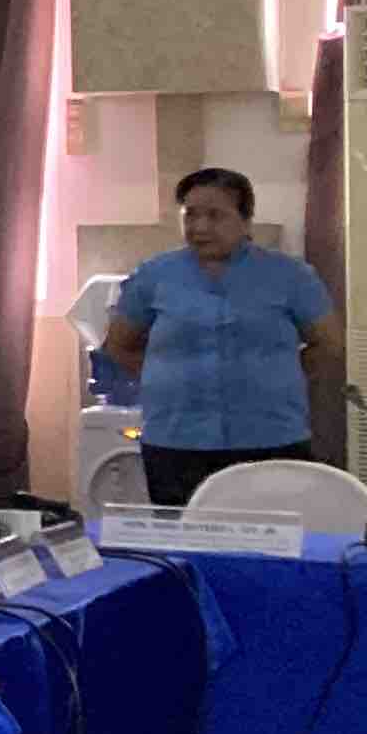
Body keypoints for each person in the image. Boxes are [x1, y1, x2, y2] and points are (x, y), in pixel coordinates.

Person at [103, 169, 343, 510]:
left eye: (215, 216)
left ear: (246, 222)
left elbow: (328, 344)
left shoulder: (290, 276)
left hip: (270, 437)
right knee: (183, 534)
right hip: (176, 440)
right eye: (190, 215)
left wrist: (276, 375)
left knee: (271, 536)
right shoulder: (154, 276)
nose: (200, 227)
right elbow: (118, 345)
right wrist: (170, 378)